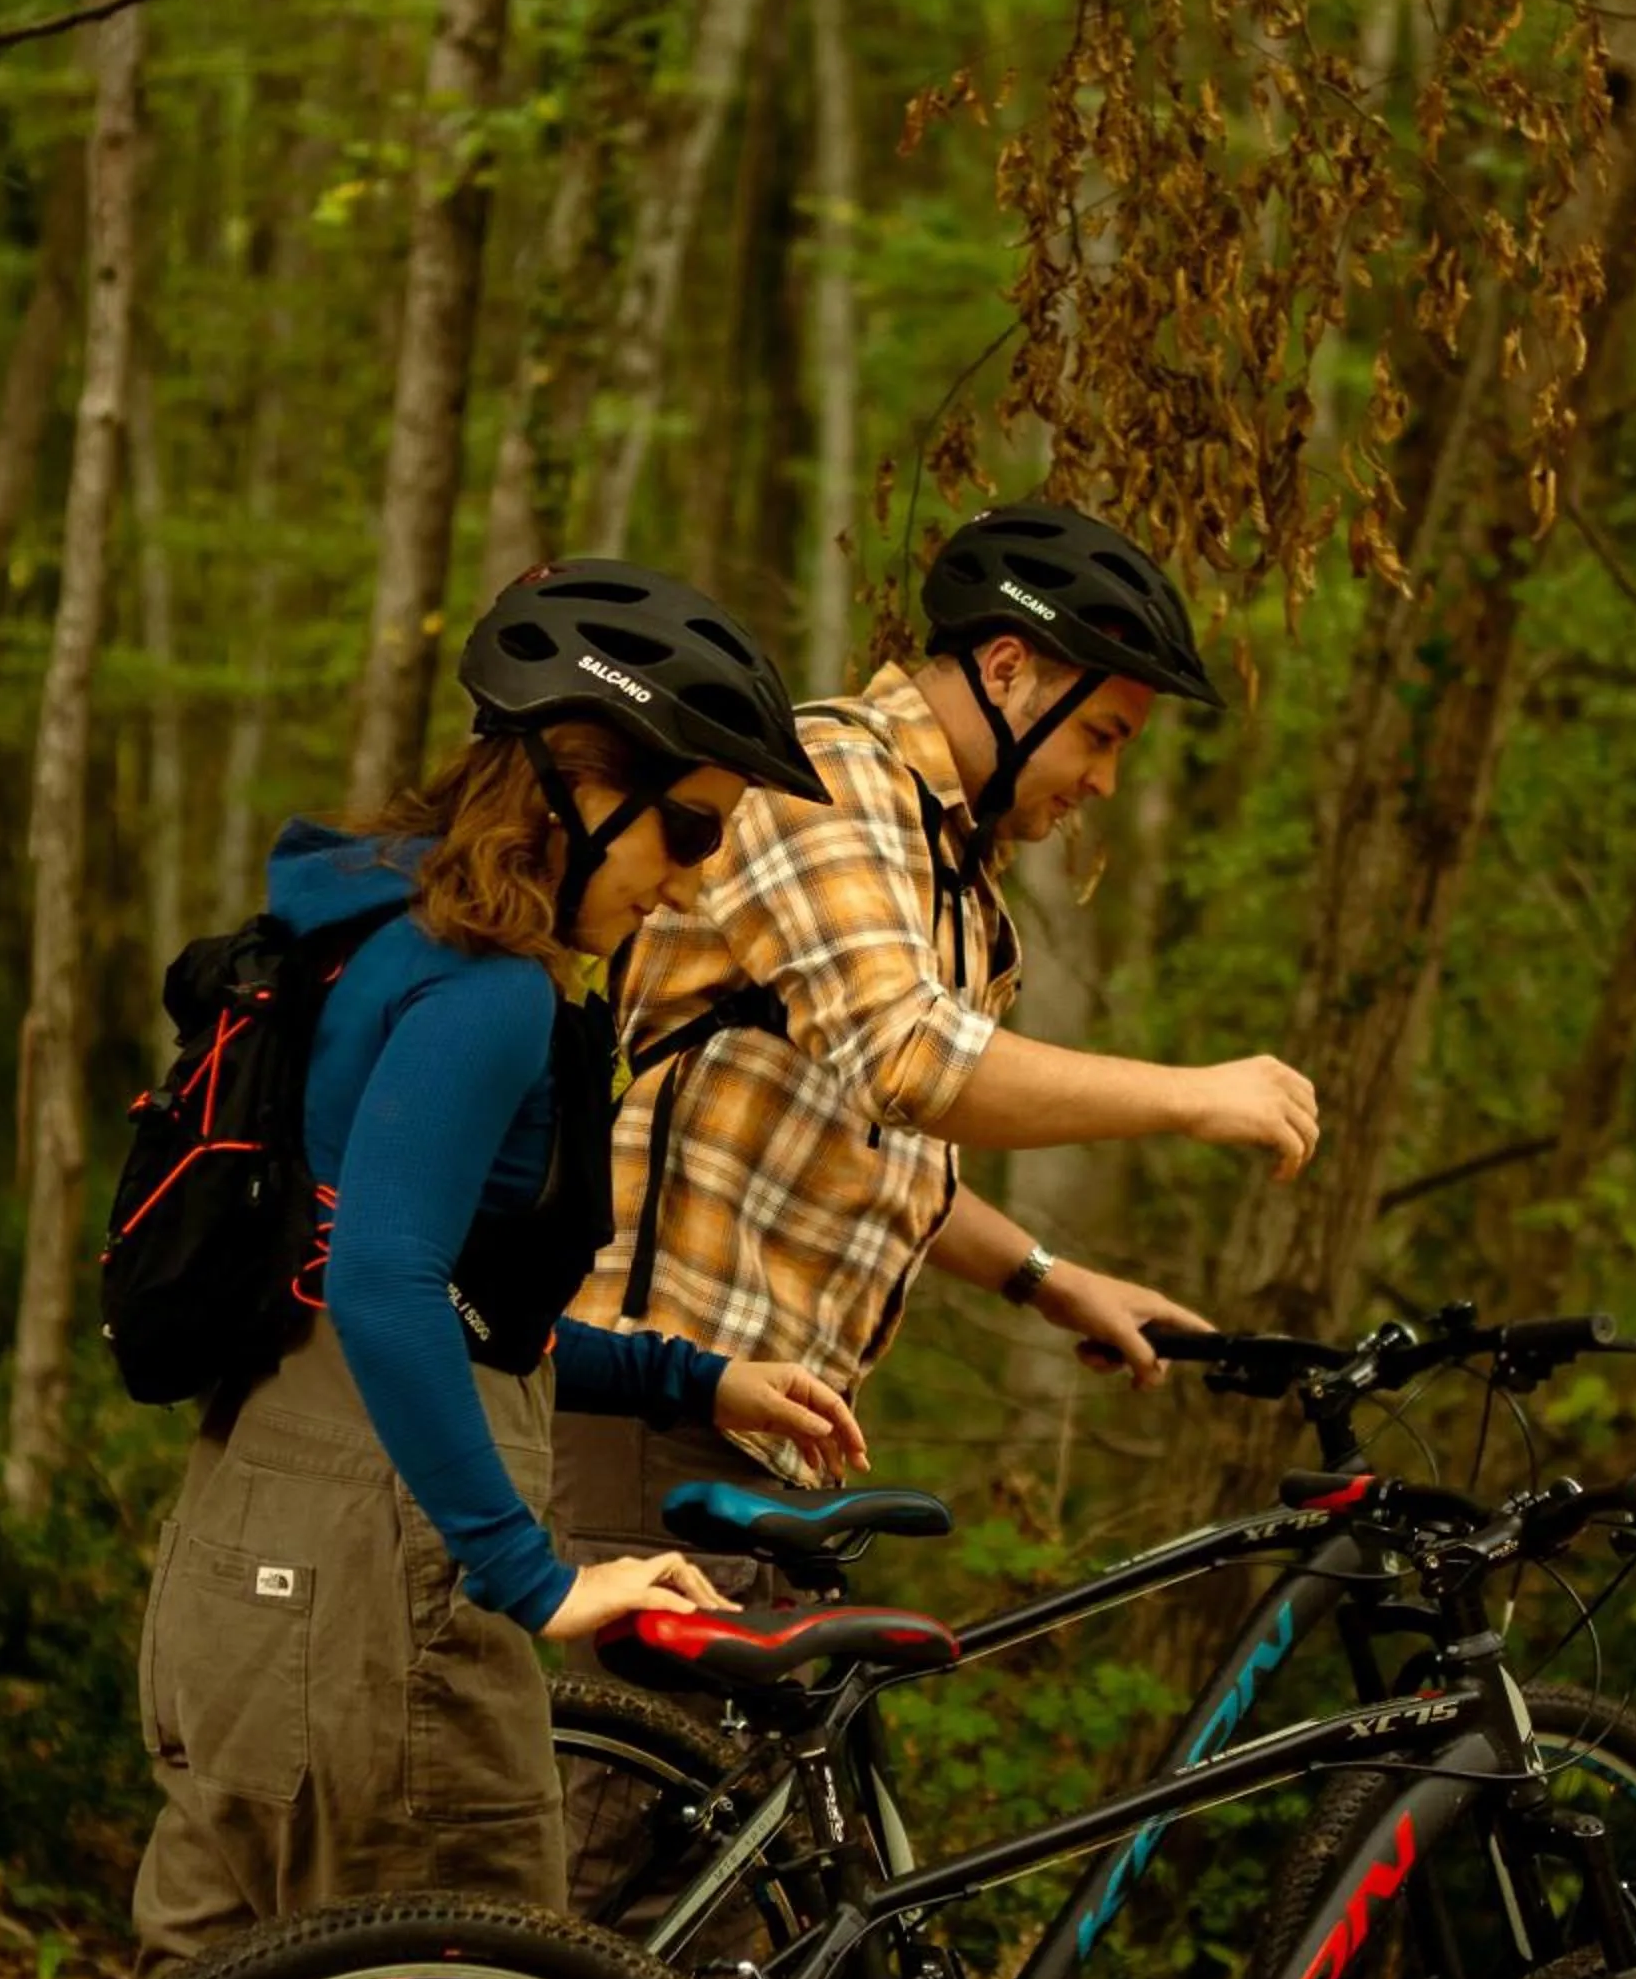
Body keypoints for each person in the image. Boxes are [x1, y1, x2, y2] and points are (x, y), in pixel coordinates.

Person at [0, 561, 866, 1979]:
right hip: (387, 1600)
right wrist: (534, 1572)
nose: (688, 874)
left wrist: (686, 1383)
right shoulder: (495, 993)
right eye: (680, 827)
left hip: (253, 1556)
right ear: (580, 781)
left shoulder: (366, 952)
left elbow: (399, 1293)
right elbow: (394, 1288)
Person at [553, 500, 1319, 1663]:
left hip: (750, 1437)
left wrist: (1051, 1280)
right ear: (1008, 671)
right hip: (652, 1409)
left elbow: (868, 1138)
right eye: (1103, 735)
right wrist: (1192, 1094)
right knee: (623, 1833)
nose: (1105, 782)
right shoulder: (818, 781)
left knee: (746, 1828)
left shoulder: (943, 859)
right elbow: (910, 1063)